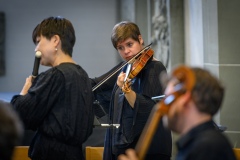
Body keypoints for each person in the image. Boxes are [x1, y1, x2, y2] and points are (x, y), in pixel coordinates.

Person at [11, 16, 94, 160]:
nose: (36, 48)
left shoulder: (55, 76)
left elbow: (20, 115)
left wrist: (25, 90)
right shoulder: (83, 75)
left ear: (55, 40)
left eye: (38, 42)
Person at [91, 21, 172, 160]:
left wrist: (126, 90)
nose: (126, 51)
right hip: (125, 145)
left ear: (140, 39)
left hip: (147, 149)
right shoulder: (126, 67)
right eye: (120, 48)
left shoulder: (155, 68)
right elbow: (98, 86)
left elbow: (149, 110)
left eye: (129, 44)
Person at [118, 65, 237, 160]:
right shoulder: (199, 143)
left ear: (185, 99)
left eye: (168, 98)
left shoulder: (208, 147)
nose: (163, 106)